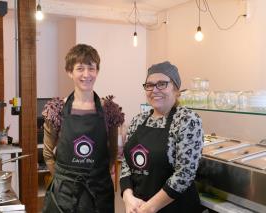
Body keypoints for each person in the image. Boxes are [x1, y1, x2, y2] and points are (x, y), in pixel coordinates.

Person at [41, 44, 124, 213]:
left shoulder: (110, 110)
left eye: (91, 68)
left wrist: (96, 176)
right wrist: (63, 179)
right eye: (80, 68)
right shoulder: (56, 109)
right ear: (70, 72)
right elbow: (48, 153)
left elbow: (113, 152)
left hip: (99, 193)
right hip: (65, 194)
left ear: (97, 71)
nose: (86, 74)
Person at [120, 61, 204, 213]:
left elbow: (184, 174)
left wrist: (149, 208)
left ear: (176, 89)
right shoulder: (138, 120)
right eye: (149, 85)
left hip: (174, 208)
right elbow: (126, 163)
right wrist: (127, 197)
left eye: (162, 84)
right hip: (139, 205)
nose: (154, 90)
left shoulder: (187, 119)